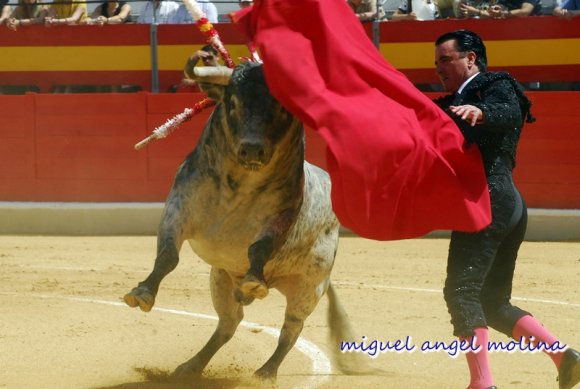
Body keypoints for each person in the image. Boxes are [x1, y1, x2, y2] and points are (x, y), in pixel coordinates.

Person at [433, 29, 580, 389]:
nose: (439, 68)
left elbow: (511, 111)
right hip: (505, 202)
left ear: (471, 58)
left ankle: (482, 385)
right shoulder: (454, 100)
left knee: (462, 290)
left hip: (488, 201)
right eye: (437, 62)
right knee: (493, 301)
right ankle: (565, 358)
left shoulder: (494, 84)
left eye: (445, 59)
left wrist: (479, 111)